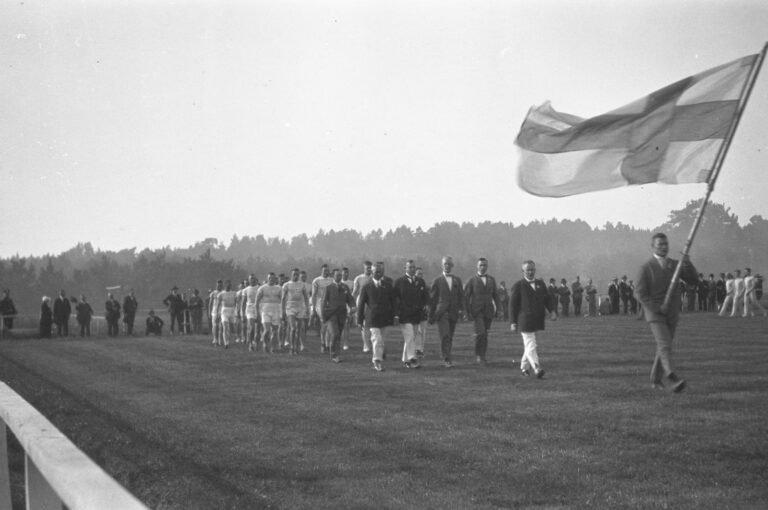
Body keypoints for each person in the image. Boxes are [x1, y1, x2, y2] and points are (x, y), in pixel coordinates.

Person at [635, 233, 698, 393]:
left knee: (664, 346)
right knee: (664, 344)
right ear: (653, 246)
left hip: (672, 313)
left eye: (665, 244)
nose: (664, 246)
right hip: (655, 314)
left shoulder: (675, 265)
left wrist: (687, 263)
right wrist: (657, 308)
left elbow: (693, 280)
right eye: (660, 244)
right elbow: (640, 294)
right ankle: (672, 377)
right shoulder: (646, 267)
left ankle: (655, 380)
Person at [509, 260, 556, 378]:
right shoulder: (518, 285)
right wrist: (513, 322)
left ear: (535, 270)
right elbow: (512, 305)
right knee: (531, 344)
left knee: (529, 344)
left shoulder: (540, 283)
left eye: (532, 269)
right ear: (523, 271)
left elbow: (547, 299)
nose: (530, 272)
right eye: (527, 270)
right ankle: (536, 367)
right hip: (524, 320)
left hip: (537, 319)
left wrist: (552, 311)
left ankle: (524, 368)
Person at [357, 261, 396, 372]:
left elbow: (393, 302)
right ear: (371, 272)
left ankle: (380, 352)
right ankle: (377, 361)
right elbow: (361, 304)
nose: (378, 274)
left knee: (381, 340)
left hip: (385, 318)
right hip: (372, 318)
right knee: (377, 339)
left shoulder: (388, 286)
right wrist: (359, 320)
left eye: (381, 272)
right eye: (376, 272)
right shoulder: (366, 287)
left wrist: (395, 316)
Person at [428, 256, 464, 368]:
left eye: (449, 264)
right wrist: (431, 316)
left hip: (453, 312)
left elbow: (461, 297)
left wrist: (462, 310)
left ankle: (447, 354)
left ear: (452, 266)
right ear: (442, 265)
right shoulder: (437, 281)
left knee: (450, 335)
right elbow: (432, 300)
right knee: (445, 335)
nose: (447, 266)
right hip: (441, 312)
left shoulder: (457, 280)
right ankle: (446, 358)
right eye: (445, 264)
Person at [393, 260, 429, 369]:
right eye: (410, 267)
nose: (412, 269)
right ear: (406, 268)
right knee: (409, 337)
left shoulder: (420, 281)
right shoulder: (399, 282)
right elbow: (395, 299)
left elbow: (425, 296)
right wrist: (396, 314)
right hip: (404, 315)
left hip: (416, 315)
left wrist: (426, 305)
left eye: (414, 267)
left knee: (411, 338)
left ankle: (406, 360)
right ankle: (413, 359)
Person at [463, 257, 500, 365]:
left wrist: (500, 309)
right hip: (476, 311)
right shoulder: (472, 280)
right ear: (477, 266)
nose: (483, 267)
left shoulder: (491, 280)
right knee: (480, 333)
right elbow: (465, 297)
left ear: (487, 266)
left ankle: (483, 355)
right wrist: (466, 311)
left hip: (488, 311)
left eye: (484, 265)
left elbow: (496, 296)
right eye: (481, 265)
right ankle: (479, 355)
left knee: (485, 334)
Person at [321, 269, 355, 363]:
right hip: (331, 315)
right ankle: (333, 355)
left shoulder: (345, 287)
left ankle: (337, 354)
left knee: (338, 335)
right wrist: (323, 316)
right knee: (334, 333)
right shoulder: (328, 288)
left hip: (342, 314)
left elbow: (350, 299)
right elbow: (323, 302)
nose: (339, 277)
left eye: (340, 275)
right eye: (337, 275)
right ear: (333, 276)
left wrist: (353, 306)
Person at [282, 269, 309, 355]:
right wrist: (282, 311)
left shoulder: (302, 285)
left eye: (297, 274)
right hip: (290, 308)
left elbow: (306, 297)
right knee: (293, 328)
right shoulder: (286, 285)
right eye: (294, 274)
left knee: (298, 329)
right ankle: (291, 347)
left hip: (300, 308)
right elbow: (283, 299)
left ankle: (296, 347)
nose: (296, 276)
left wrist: (307, 308)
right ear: (291, 275)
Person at [256, 273, 283, 352]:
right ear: (267, 279)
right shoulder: (262, 288)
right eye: (270, 278)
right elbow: (257, 301)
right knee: (267, 330)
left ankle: (273, 347)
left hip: (276, 310)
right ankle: (265, 344)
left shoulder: (279, 288)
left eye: (273, 278)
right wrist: (257, 313)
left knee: (275, 331)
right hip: (265, 311)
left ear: (275, 279)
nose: (271, 279)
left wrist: (283, 311)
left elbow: (283, 300)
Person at [311, 264, 334, 353]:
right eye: (325, 270)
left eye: (328, 270)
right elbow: (313, 295)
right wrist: (313, 307)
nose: (326, 272)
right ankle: (323, 343)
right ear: (321, 271)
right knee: (324, 324)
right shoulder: (316, 280)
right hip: (320, 303)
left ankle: (327, 344)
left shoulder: (332, 280)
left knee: (329, 324)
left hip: (330, 304)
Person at [352, 261, 374, 353]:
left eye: (370, 268)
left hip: (372, 303)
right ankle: (366, 345)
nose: (369, 269)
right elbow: (355, 292)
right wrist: (352, 305)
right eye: (367, 268)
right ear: (364, 268)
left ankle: (373, 343)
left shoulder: (375, 278)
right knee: (364, 325)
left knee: (372, 324)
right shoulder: (359, 278)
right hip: (361, 302)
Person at [216, 280, 238, 348]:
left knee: (232, 327)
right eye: (227, 284)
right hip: (224, 311)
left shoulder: (234, 293)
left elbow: (237, 303)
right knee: (225, 326)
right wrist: (217, 313)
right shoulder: (221, 294)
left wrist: (237, 311)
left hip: (232, 310)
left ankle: (235, 336)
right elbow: (218, 305)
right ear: (225, 285)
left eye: (230, 285)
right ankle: (226, 343)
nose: (228, 286)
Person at [243, 275, 262, 352]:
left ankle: (256, 343)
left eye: (254, 279)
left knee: (258, 329)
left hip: (258, 309)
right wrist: (241, 312)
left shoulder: (260, 288)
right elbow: (243, 302)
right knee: (252, 327)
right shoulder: (246, 290)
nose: (252, 280)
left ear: (256, 280)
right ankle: (250, 343)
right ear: (249, 280)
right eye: (251, 279)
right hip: (249, 309)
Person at [414, 267, 429, 358]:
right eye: (418, 274)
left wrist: (426, 305)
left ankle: (420, 349)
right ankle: (416, 348)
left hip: (422, 311)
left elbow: (426, 296)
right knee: (416, 331)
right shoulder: (411, 284)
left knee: (422, 331)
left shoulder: (423, 283)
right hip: (414, 311)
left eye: (421, 274)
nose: (420, 275)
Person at [340, 267, 355, 351]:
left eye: (347, 273)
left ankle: (345, 343)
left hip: (347, 307)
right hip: (338, 306)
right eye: (344, 272)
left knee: (346, 326)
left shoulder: (351, 283)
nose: (346, 274)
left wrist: (352, 307)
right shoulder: (337, 282)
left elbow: (352, 296)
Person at [209, 280, 224, 346]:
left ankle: (220, 340)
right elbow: (210, 303)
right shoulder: (213, 293)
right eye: (218, 285)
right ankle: (215, 339)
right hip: (214, 311)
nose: (219, 286)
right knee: (215, 326)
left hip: (222, 311)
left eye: (220, 285)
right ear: (216, 285)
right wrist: (209, 312)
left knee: (221, 326)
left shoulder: (224, 293)